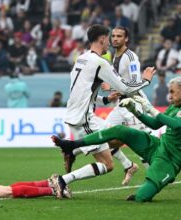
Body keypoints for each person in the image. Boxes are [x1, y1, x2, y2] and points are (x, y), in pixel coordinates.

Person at [52, 76, 181, 202]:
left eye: (172, 92)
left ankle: (159, 178)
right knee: (120, 130)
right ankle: (72, 145)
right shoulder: (175, 107)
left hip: (171, 159)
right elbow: (154, 124)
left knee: (141, 197)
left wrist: (149, 108)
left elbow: (178, 124)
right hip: (157, 146)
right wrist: (135, 111)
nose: (169, 96)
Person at [52, 24, 155, 193]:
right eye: (108, 38)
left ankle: (73, 151)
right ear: (102, 39)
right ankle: (62, 180)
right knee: (107, 164)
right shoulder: (101, 63)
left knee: (121, 136)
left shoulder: (81, 58)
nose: (110, 42)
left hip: (81, 114)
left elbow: (82, 92)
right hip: (83, 119)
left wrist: (105, 99)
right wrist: (147, 80)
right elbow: (127, 89)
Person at [100, 26, 154, 186]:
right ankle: (128, 165)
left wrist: (112, 87)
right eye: (113, 36)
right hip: (120, 105)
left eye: (119, 36)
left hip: (133, 103)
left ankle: (155, 174)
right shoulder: (113, 57)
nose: (115, 38)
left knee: (142, 142)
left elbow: (137, 83)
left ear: (126, 39)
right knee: (104, 137)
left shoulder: (130, 57)